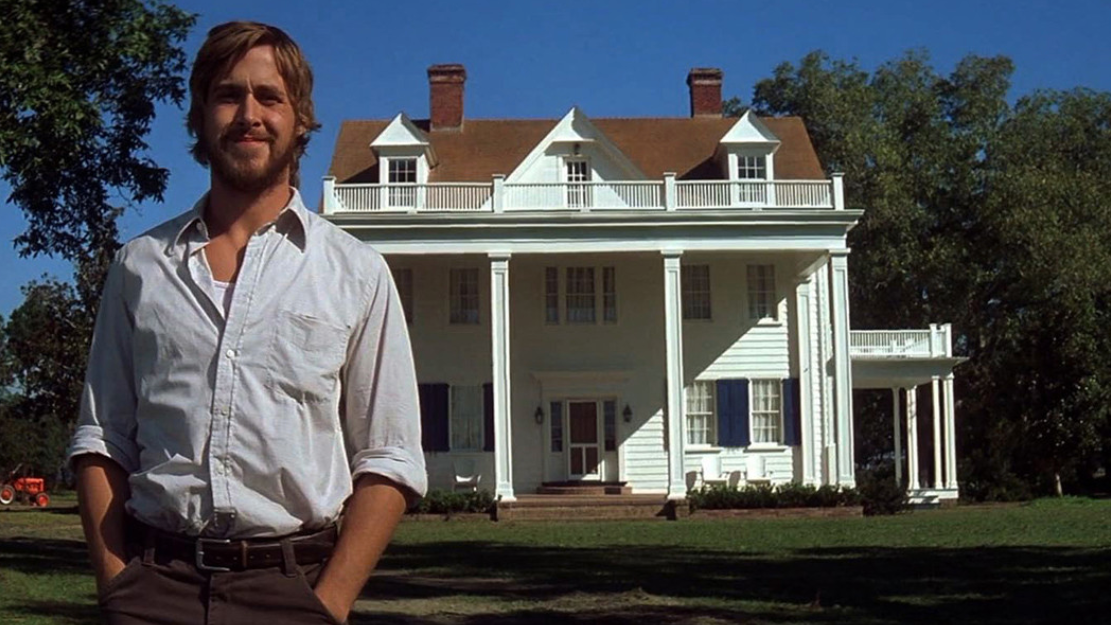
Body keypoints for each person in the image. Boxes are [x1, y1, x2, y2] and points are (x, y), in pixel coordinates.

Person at [67, 21, 426, 625]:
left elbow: (390, 456)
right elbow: (102, 438)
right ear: (200, 115)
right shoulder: (140, 267)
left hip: (294, 589)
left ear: (301, 118)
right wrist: (117, 586)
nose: (249, 115)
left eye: (270, 97)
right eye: (229, 95)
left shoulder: (355, 273)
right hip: (153, 589)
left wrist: (327, 604)